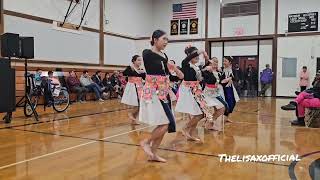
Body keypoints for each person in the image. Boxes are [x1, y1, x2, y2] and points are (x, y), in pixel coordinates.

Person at [139, 30, 184, 163]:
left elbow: (171, 74)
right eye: (164, 39)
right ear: (154, 39)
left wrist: (175, 69)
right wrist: (168, 63)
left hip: (163, 92)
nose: (166, 42)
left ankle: (153, 155)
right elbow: (154, 59)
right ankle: (146, 142)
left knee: (164, 124)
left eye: (167, 40)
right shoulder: (147, 53)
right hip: (153, 92)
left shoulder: (164, 56)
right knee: (166, 123)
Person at [175, 46, 208, 141]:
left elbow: (200, 78)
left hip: (197, 90)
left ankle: (190, 133)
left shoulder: (197, 67)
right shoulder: (185, 64)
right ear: (189, 55)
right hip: (189, 91)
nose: (197, 56)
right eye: (195, 54)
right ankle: (186, 128)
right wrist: (200, 52)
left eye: (197, 54)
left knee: (202, 113)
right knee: (200, 113)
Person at [201, 59, 226, 131]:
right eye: (213, 62)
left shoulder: (219, 72)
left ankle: (209, 123)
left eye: (217, 62)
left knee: (222, 108)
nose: (215, 63)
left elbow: (220, 81)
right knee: (207, 110)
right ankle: (208, 124)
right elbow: (203, 75)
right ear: (209, 64)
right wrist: (205, 69)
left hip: (216, 93)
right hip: (208, 93)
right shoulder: (206, 71)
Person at [121, 55, 146, 125]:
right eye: (138, 60)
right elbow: (124, 73)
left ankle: (133, 120)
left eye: (140, 60)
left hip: (140, 88)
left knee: (141, 105)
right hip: (133, 88)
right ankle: (131, 113)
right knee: (137, 104)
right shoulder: (130, 68)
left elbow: (145, 78)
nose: (140, 62)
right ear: (134, 61)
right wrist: (133, 71)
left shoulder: (141, 70)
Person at [219, 56, 240, 122]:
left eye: (225, 61)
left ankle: (226, 117)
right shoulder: (221, 69)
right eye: (223, 61)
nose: (224, 62)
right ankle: (219, 118)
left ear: (230, 62)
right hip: (222, 89)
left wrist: (231, 78)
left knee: (232, 102)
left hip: (230, 89)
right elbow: (220, 80)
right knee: (226, 103)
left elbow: (236, 78)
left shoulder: (233, 70)